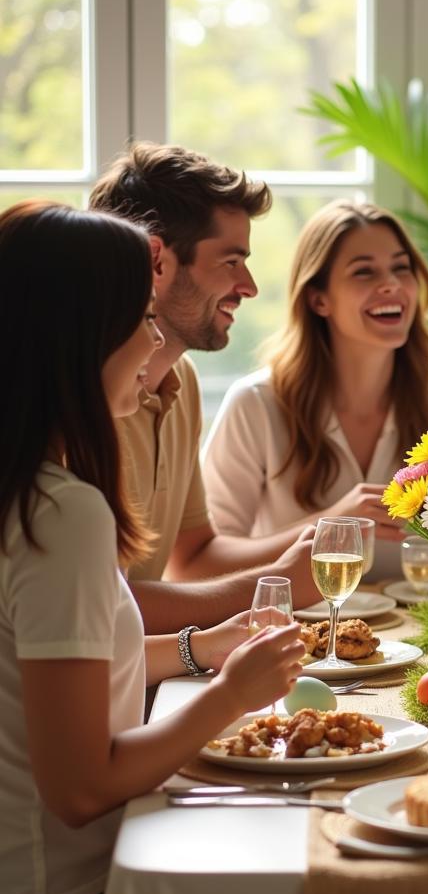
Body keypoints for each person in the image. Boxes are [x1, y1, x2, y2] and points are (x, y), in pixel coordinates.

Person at [0, 201, 305, 894]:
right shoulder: (61, 514)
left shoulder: (32, 487)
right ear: (79, 337)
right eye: (139, 316)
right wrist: (232, 694)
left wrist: (204, 649)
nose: (153, 338)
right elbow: (79, 788)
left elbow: (56, 665)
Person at [89, 143, 320, 633]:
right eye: (231, 261)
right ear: (157, 261)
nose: (250, 286)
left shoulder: (182, 381)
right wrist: (275, 582)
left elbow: (193, 553)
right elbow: (95, 603)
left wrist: (322, 537)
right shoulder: (75, 397)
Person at [201, 200, 428, 581]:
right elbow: (205, 560)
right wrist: (330, 525)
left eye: (402, 267)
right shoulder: (255, 403)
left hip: (426, 630)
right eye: (363, 272)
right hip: (301, 632)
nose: (392, 284)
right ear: (319, 299)